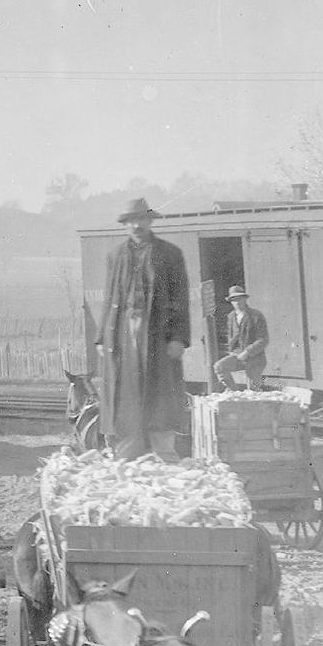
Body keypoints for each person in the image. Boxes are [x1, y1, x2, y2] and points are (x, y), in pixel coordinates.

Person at [96, 197, 192, 459]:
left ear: (150, 221)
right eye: (131, 221)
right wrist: (101, 338)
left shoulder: (170, 254)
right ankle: (128, 454)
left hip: (158, 333)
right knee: (125, 391)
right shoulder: (115, 256)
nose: (136, 225)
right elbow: (109, 297)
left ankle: (163, 452)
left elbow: (180, 297)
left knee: (160, 390)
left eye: (141, 219)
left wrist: (179, 338)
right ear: (125, 224)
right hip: (123, 332)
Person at [213, 285, 270, 391]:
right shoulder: (231, 317)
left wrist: (247, 352)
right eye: (233, 300)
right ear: (230, 302)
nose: (237, 302)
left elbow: (263, 339)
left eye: (239, 299)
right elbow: (231, 338)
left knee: (253, 390)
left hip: (255, 358)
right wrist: (232, 352)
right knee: (219, 366)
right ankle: (235, 392)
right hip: (237, 356)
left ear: (245, 299)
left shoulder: (256, 315)